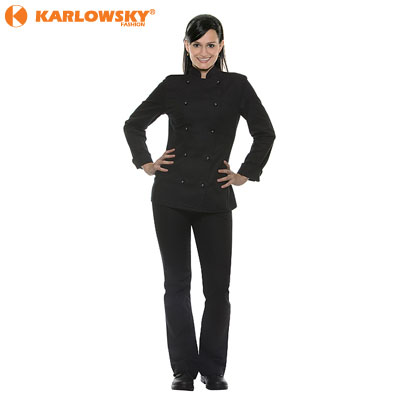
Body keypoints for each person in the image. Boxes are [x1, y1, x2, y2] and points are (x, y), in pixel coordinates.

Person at [123, 14, 276, 391]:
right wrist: (146, 162)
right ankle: (183, 370)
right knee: (176, 285)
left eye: (211, 44)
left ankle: (213, 369)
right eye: (196, 45)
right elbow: (133, 125)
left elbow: (265, 132)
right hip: (170, 196)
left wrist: (245, 173)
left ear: (221, 45)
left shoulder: (238, 86)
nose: (203, 52)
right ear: (186, 46)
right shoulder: (172, 85)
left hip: (215, 196)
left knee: (217, 289)